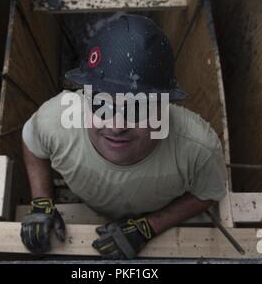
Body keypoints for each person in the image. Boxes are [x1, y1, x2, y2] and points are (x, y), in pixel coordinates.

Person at [20, 14, 227, 259]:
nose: (116, 126)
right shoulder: (54, 120)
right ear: (83, 96)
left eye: (137, 108)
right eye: (100, 103)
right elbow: (32, 143)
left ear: (164, 104)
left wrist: (150, 225)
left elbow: (208, 193)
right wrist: (42, 201)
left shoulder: (198, 149)